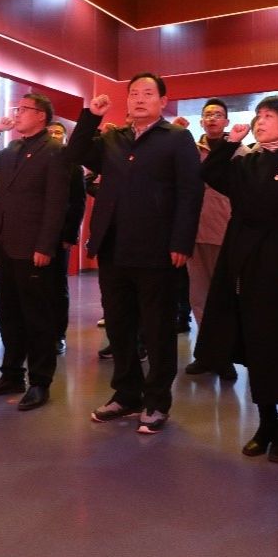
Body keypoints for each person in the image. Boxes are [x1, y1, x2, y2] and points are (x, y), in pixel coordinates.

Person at [66, 73, 203, 434]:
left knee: (157, 329)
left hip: (157, 248)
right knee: (119, 325)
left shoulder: (177, 138)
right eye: (134, 94)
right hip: (114, 245)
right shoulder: (114, 137)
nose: (140, 99)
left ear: (162, 101)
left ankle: (157, 401)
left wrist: (181, 241)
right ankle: (127, 394)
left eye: (147, 93)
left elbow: (191, 192)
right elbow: (75, 153)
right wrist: (91, 116)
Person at [197, 97, 278, 462]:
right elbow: (210, 174)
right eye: (258, 116)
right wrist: (231, 142)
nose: (260, 121)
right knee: (257, 346)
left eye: (269, 116)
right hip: (246, 265)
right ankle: (266, 423)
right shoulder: (247, 161)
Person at [0, 95, 70, 410]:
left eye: (24, 109)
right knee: (9, 315)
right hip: (5, 243)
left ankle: (40, 382)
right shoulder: (13, 148)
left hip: (33, 247)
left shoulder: (55, 151)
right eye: (17, 109)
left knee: (38, 318)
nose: (17, 114)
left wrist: (45, 245)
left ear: (41, 116)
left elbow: (57, 202)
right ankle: (11, 374)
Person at [184, 98, 240, 381]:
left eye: (218, 114)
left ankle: (225, 355)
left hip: (227, 235)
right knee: (199, 297)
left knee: (225, 299)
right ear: (201, 121)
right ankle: (206, 354)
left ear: (227, 121)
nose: (212, 118)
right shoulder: (191, 151)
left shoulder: (239, 151)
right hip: (195, 233)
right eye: (208, 114)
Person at [47, 121, 87, 355]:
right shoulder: (35, 161)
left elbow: (78, 204)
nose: (54, 135)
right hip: (32, 234)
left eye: (58, 132)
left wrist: (70, 235)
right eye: (50, 132)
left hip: (60, 235)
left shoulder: (73, 166)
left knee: (56, 286)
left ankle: (57, 335)